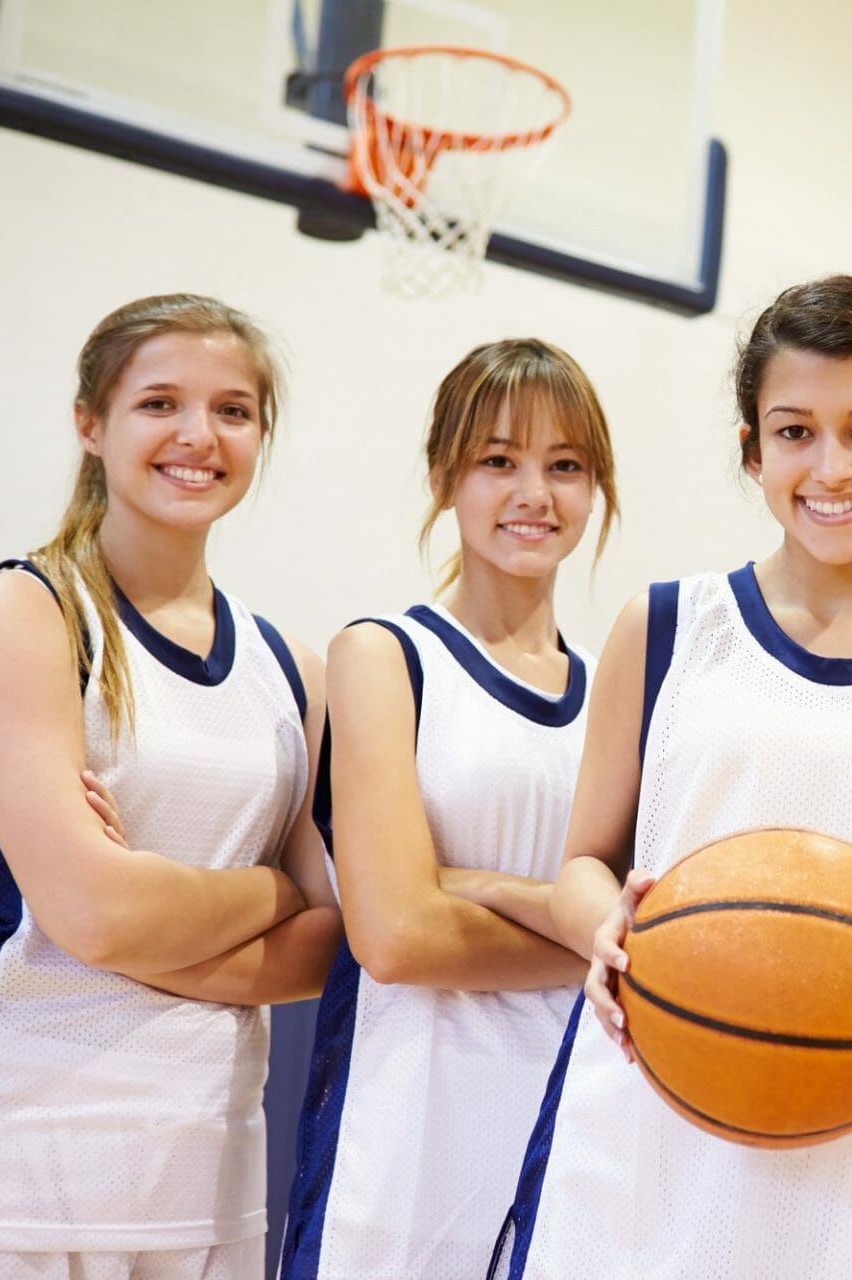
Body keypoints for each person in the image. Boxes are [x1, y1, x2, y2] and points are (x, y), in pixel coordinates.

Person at [490, 276, 852, 1279]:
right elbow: (583, 863)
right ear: (753, 450)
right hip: (652, 1118)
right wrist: (601, 926)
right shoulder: (663, 627)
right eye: (795, 432)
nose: (832, 466)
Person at [0, 294, 341, 1280]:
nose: (197, 436)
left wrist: (149, 912)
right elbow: (95, 908)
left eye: (233, 410)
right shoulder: (27, 610)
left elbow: (332, 942)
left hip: (203, 1161)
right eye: (160, 402)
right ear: (91, 423)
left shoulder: (293, 666)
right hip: (1, 1148)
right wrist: (271, 891)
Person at [279, 339, 619, 1280]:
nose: (534, 494)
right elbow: (395, 940)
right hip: (409, 1130)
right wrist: (587, 939)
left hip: (577, 1117)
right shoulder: (383, 656)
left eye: (566, 467)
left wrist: (472, 886)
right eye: (498, 462)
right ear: (444, 477)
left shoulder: (617, 690)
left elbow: (648, 933)